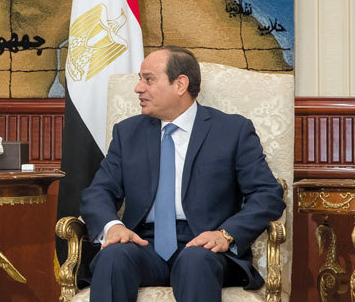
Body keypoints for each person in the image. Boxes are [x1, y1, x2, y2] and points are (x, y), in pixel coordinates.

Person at [80, 46, 285, 302]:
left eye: (148, 79)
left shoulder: (232, 131)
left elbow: (267, 194)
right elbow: (98, 192)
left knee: (195, 260)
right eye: (140, 79)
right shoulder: (127, 133)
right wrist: (114, 226)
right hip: (144, 245)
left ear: (180, 84)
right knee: (113, 256)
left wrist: (226, 234)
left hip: (206, 247)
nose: (138, 88)